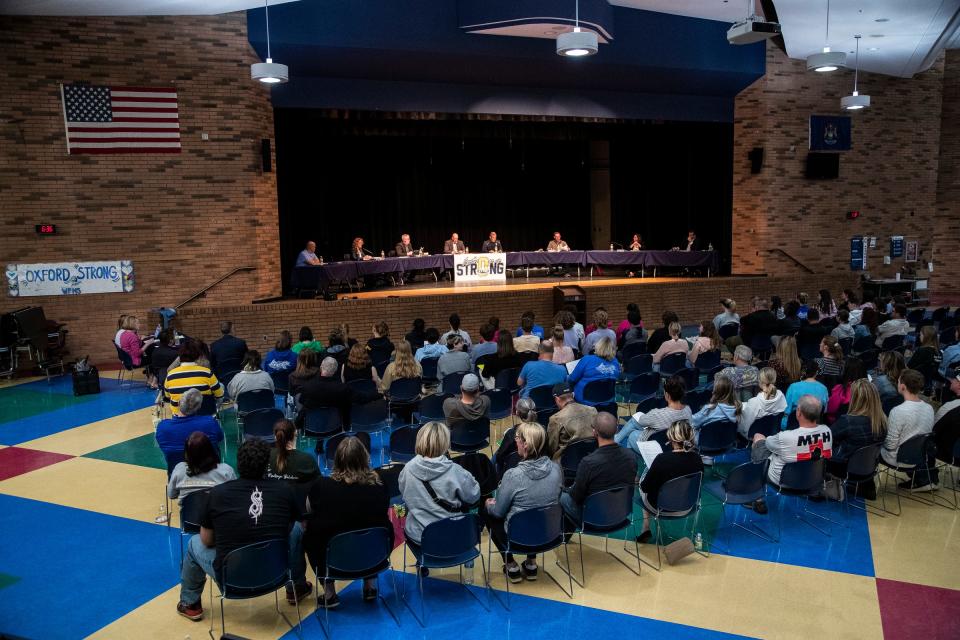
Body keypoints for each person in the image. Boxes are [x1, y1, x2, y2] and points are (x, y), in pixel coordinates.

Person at [176, 438, 311, 621]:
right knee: (295, 529)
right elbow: (290, 527)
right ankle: (296, 587)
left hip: (232, 578)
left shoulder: (217, 494)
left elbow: (207, 540)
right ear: (266, 465)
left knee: (193, 543)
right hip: (276, 571)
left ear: (238, 464)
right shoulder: (285, 490)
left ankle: (190, 603)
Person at [305, 436, 391, 608]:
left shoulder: (321, 486)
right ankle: (370, 586)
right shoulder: (380, 484)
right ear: (365, 458)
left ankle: (329, 593)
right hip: (375, 556)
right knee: (372, 526)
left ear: (337, 460)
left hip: (334, 560)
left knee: (312, 532)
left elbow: (308, 510)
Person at [483, 422, 562, 582]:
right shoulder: (556, 468)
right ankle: (531, 562)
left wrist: (489, 505)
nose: (515, 441)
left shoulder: (513, 475)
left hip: (518, 537)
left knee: (487, 510)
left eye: (517, 438)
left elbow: (498, 512)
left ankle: (511, 564)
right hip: (548, 533)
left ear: (525, 444)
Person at [398, 422, 481, 554]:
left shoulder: (407, 469)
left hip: (420, 536)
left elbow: (405, 496)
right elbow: (474, 496)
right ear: (445, 443)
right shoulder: (455, 471)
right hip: (454, 534)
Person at [561, 412, 637, 527]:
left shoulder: (588, 462)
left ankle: (563, 537)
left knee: (560, 496)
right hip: (621, 512)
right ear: (617, 430)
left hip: (592, 517)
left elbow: (576, 497)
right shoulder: (631, 456)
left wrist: (567, 489)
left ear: (594, 432)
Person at [636, 420, 704, 542]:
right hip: (687, 506)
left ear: (670, 437)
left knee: (643, 482)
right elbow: (699, 485)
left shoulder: (662, 459)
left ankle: (645, 527)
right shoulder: (697, 458)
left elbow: (646, 487)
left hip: (660, 508)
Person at [753, 395, 832, 488]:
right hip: (813, 480)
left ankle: (757, 489)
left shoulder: (785, 436)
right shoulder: (827, 431)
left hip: (783, 482)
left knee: (759, 438)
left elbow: (767, 444)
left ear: (798, 412)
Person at [827, 379, 886, 500]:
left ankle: (825, 488)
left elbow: (828, 438)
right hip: (869, 468)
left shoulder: (848, 421)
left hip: (844, 469)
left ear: (856, 399)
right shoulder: (882, 421)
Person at [883, 369, 937, 491]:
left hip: (899, 459)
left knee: (872, 448)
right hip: (920, 457)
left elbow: (890, 445)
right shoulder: (929, 408)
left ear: (902, 386)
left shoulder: (897, 411)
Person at [615, 375, 692, 450]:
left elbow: (641, 421)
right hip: (675, 443)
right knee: (635, 424)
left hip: (657, 447)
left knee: (633, 433)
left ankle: (616, 441)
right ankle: (617, 440)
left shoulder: (658, 413)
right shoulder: (688, 410)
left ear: (667, 395)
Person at [167, 431, 236, 503]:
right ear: (210, 450)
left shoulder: (179, 469)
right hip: (220, 512)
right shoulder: (226, 471)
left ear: (187, 453)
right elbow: (235, 494)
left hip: (190, 513)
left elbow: (171, 494)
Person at [156, 388, 224, 458]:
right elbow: (219, 438)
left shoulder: (162, 427)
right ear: (199, 407)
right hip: (208, 466)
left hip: (176, 467)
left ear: (178, 403)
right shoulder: (210, 422)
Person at [164, 340, 224, 416]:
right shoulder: (207, 372)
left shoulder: (170, 376)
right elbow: (219, 395)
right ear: (197, 355)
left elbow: (168, 396)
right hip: (205, 416)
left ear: (179, 356)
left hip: (180, 418)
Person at [298, 357, 357, 426]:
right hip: (336, 427)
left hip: (312, 426)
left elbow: (301, 401)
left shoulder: (308, 386)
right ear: (335, 371)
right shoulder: (342, 388)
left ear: (320, 368)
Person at [546, 382, 598, 460]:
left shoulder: (555, 419)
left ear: (557, 399)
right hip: (594, 456)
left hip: (568, 461)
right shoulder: (593, 410)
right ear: (573, 395)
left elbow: (551, 447)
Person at [266, 419, 319, 484]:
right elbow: (319, 484)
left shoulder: (265, 455)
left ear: (275, 437)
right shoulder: (307, 459)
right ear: (295, 434)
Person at [568, 337, 620, 404]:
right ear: (613, 349)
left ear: (598, 346)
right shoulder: (615, 362)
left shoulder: (587, 359)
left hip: (585, 400)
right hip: (607, 399)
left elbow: (572, 379)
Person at [738, 368, 787, 439]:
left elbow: (745, 426)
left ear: (760, 381)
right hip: (774, 434)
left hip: (755, 436)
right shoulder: (781, 396)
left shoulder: (754, 402)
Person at [782, 360, 829, 428]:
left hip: (794, 427)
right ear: (816, 372)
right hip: (815, 426)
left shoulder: (793, 387)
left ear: (803, 372)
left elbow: (786, 411)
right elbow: (824, 411)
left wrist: (783, 428)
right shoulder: (823, 388)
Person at [826, 358, 866, 424]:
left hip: (842, 426)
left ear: (846, 371)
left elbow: (830, 410)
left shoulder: (840, 390)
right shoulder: (870, 389)